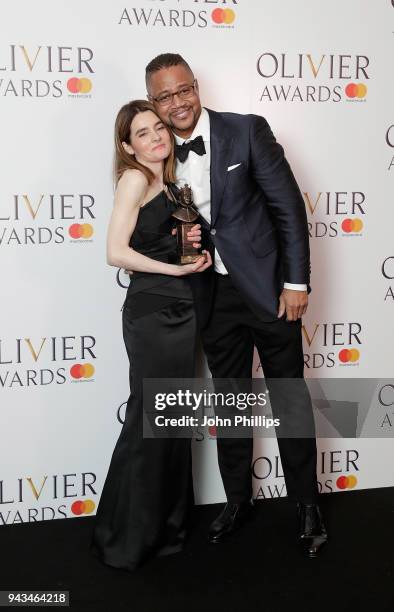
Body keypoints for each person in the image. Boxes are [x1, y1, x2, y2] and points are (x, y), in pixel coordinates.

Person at [144, 53, 328, 558]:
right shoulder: (157, 154)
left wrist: (295, 282)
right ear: (154, 104)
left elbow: (287, 207)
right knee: (230, 404)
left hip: (269, 290)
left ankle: (307, 505)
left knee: (288, 398)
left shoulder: (246, 130)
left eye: (183, 90)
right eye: (164, 96)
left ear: (196, 87)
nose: (176, 103)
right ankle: (237, 501)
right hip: (211, 297)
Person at [90, 99, 211, 572]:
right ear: (127, 145)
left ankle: (164, 529)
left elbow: (165, 241)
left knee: (170, 422)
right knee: (150, 420)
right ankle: (125, 539)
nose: (157, 137)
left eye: (158, 128)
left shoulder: (171, 183)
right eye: (142, 133)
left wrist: (191, 260)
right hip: (154, 314)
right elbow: (115, 252)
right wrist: (170, 270)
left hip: (180, 311)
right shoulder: (135, 179)